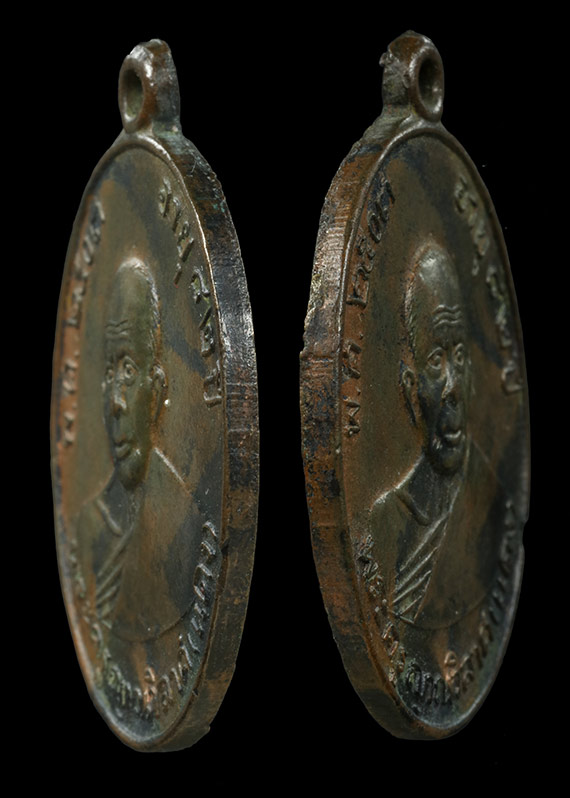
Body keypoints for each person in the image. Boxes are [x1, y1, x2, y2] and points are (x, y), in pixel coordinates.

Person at [369, 240, 497, 628]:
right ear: (411, 389)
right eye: (437, 361)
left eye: (460, 357)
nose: (453, 387)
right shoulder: (386, 520)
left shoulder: (491, 493)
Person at [75, 257, 196, 642]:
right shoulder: (89, 523)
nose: (115, 401)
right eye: (109, 372)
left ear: (157, 390)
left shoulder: (186, 525)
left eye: (128, 371)